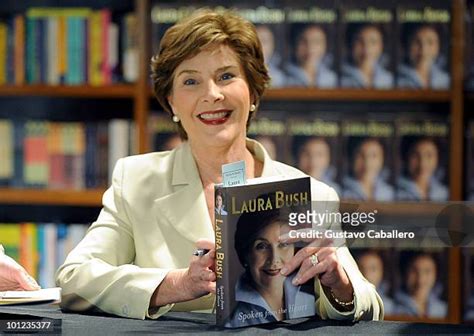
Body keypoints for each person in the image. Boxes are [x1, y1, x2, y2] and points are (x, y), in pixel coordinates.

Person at [56, 9, 383, 321]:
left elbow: (371, 307)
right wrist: (175, 285)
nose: (212, 94)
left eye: (226, 76)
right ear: (171, 101)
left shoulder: (312, 193)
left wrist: (339, 286)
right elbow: (75, 280)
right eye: (190, 81)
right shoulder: (136, 180)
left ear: (253, 91)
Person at [224, 206, 315, 327]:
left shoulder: (314, 299)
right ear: (245, 254)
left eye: (284, 244)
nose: (274, 259)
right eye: (261, 246)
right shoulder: (234, 324)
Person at [393, 252, 447, 318]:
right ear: (404, 273)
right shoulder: (392, 308)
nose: (420, 280)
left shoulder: (444, 310)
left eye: (427, 271)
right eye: (414, 271)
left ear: (436, 274)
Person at [397, 24, 450, 89]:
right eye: (417, 42)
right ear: (406, 45)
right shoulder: (395, 79)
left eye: (430, 42)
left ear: (438, 47)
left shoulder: (446, 80)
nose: (423, 50)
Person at [341, 24, 393, 89]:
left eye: (373, 42)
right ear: (350, 44)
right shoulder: (339, 79)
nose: (366, 48)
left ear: (382, 46)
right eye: (359, 41)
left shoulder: (389, 79)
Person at [396, 137, 448, 201]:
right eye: (415, 155)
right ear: (406, 158)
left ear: (438, 158)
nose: (422, 163)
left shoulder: (444, 192)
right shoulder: (395, 192)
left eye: (429, 155)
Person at [356, 250, 394, 315]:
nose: (366, 274)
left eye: (373, 269)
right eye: (361, 268)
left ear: (382, 272)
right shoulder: (349, 301)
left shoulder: (393, 307)